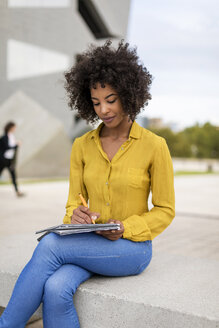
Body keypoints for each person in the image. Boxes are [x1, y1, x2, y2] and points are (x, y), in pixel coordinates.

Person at [0, 39, 175, 327]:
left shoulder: (155, 146)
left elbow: (165, 210)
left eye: (111, 99)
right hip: (88, 242)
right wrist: (75, 215)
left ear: (129, 94)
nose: (103, 110)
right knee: (56, 288)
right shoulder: (82, 146)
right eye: (96, 102)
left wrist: (125, 227)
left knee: (51, 246)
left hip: (132, 249)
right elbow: (73, 202)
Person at [0, 121, 25, 197]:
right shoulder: (4, 137)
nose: (15, 129)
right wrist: (16, 145)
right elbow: (7, 147)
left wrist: (15, 145)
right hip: (3, 160)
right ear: (10, 127)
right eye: (14, 127)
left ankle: (17, 192)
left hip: (10, 160)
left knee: (13, 176)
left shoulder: (12, 136)